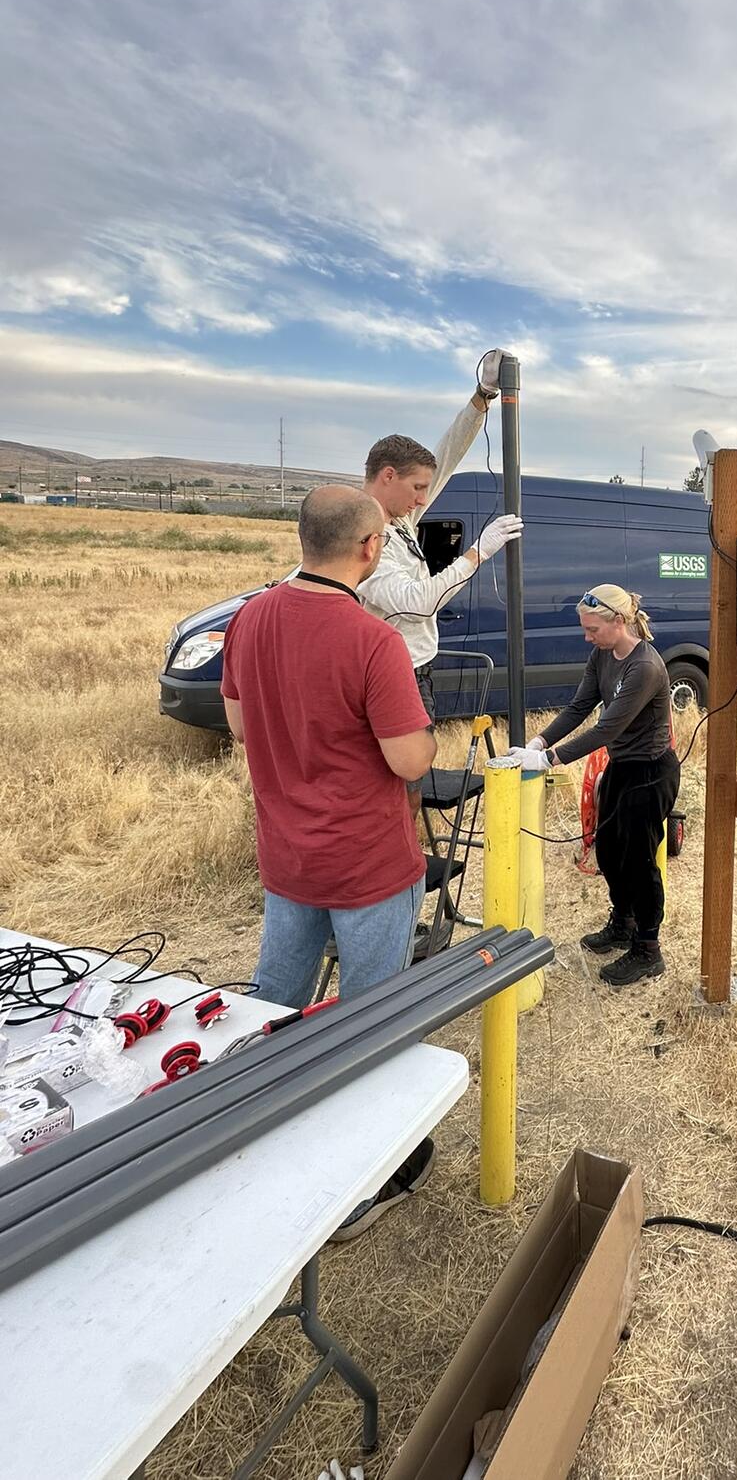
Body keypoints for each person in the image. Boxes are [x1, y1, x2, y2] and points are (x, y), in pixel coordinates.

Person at [222, 483, 439, 1239]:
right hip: (368, 867)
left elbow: (240, 723)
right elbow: (410, 760)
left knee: (269, 1008)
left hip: (288, 861)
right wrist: (428, 735)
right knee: (370, 1029)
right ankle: (355, 1190)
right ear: (370, 548)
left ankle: (245, 1141)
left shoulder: (249, 618)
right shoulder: (373, 640)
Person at [358, 348, 522, 805]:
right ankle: (401, 865)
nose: (421, 499)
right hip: (395, 674)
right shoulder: (366, 535)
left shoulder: (396, 519)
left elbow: (444, 457)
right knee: (404, 782)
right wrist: (477, 553)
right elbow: (419, 600)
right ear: (387, 477)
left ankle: (402, 852)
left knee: (410, 777)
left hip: (414, 669)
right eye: (415, 489)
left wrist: (481, 398)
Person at [512, 584, 679, 988]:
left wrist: (549, 760)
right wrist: (539, 741)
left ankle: (647, 948)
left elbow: (607, 727)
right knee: (608, 851)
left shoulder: (645, 667)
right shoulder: (603, 654)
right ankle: (622, 921)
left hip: (651, 771)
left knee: (639, 860)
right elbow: (579, 706)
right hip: (623, 766)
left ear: (618, 622)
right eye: (585, 630)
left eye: (593, 630)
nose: (588, 637)